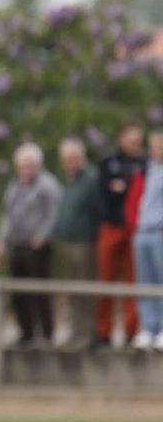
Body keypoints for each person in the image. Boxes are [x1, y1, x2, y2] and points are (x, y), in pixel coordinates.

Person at [0, 142, 62, 347]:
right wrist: (1, 239)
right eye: (22, 165)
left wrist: (42, 236)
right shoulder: (15, 185)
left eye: (29, 165)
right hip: (17, 244)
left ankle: (46, 333)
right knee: (19, 291)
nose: (25, 169)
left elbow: (53, 213)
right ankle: (26, 331)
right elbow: (7, 214)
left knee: (39, 290)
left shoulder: (48, 184)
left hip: (37, 246)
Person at [95, 123, 145, 348]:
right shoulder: (108, 162)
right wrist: (120, 188)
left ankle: (130, 331)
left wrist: (121, 186)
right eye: (131, 140)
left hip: (134, 228)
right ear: (121, 139)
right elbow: (106, 192)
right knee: (105, 278)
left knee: (132, 281)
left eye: (138, 141)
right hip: (111, 226)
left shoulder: (144, 163)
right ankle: (103, 331)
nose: (135, 144)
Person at [53, 137, 101, 350]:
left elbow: (97, 209)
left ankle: (87, 333)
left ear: (81, 157)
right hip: (68, 241)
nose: (70, 163)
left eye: (73, 158)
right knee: (71, 291)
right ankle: (74, 331)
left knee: (84, 289)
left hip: (85, 242)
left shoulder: (90, 179)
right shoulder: (69, 180)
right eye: (66, 159)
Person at [124, 130, 163, 350]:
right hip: (142, 232)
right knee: (144, 282)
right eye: (155, 147)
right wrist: (134, 227)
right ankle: (149, 327)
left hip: (159, 232)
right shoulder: (145, 171)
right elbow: (134, 201)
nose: (158, 151)